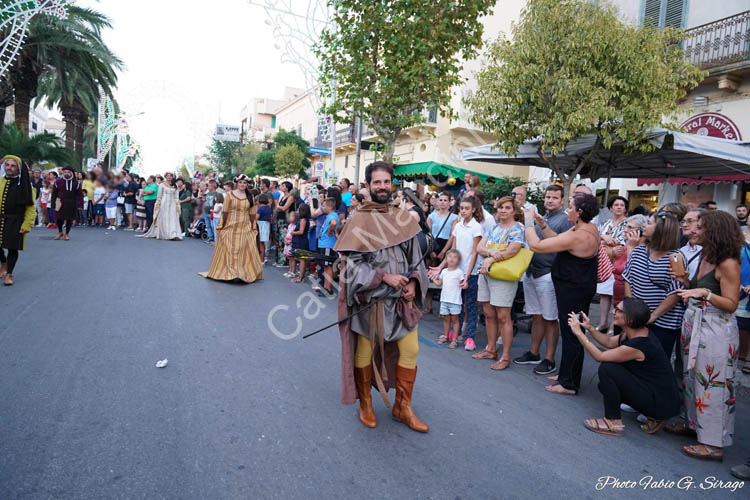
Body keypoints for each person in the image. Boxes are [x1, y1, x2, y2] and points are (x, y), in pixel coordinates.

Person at [335, 161, 429, 432]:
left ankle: (403, 407)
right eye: (377, 182)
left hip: (402, 300)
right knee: (365, 350)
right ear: (368, 186)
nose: (382, 187)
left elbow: (415, 257)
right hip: (372, 301)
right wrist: (383, 277)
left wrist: (413, 281)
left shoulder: (402, 217)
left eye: (386, 182)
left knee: (411, 349)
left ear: (392, 184)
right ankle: (365, 403)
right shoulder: (358, 220)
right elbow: (350, 265)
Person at [670, 210, 742, 462]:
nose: (694, 231)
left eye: (700, 227)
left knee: (713, 384)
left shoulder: (728, 263)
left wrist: (705, 294)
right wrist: (685, 281)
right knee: (692, 378)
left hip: (716, 328)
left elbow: (731, 304)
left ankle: (713, 444)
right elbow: (699, 288)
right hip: (696, 324)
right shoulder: (705, 255)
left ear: (715, 232)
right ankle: (693, 425)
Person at [568, 297, 680, 436]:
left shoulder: (640, 344)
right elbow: (609, 341)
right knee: (605, 384)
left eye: (619, 310)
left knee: (608, 369)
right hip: (658, 397)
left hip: (660, 403)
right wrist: (589, 328)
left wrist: (579, 333)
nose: (613, 311)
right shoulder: (635, 332)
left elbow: (600, 356)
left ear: (631, 319)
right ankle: (652, 415)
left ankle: (613, 422)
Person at [524, 193, 600, 395]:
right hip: (575, 288)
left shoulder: (580, 234)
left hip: (574, 290)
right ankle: (567, 374)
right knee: (572, 333)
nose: (568, 210)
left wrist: (528, 220)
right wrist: (542, 225)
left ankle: (569, 384)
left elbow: (536, 246)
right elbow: (558, 240)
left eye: (571, 207)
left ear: (580, 212)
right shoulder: (585, 228)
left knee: (573, 334)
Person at [513, 184, 572, 375]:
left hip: (549, 273)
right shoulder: (541, 217)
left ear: (562, 200)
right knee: (536, 315)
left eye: (555, 198)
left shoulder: (564, 220)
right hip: (532, 271)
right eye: (548, 197)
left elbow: (561, 246)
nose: (550, 200)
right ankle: (534, 352)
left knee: (550, 318)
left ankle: (549, 359)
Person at [622, 211, 684, 359]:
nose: (644, 225)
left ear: (662, 229)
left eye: (649, 223)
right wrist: (631, 309)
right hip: (637, 318)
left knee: (656, 361)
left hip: (663, 322)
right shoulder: (638, 251)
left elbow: (675, 292)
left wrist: (652, 316)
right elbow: (627, 278)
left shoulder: (675, 257)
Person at [475, 196, 526, 370]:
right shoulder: (494, 228)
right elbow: (479, 248)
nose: (503, 210)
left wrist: (489, 259)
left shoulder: (518, 228)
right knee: (488, 313)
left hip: (503, 276)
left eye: (507, 207)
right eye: (501, 207)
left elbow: (514, 250)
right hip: (487, 274)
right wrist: (492, 253)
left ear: (514, 210)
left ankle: (505, 356)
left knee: (504, 316)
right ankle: (490, 349)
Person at [430, 196, 483, 352]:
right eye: (462, 208)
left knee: (471, 306)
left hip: (470, 273)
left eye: (467, 208)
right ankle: (456, 333)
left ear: (473, 210)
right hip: (455, 271)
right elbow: (452, 252)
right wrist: (440, 267)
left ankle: (470, 337)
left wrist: (467, 275)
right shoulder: (458, 226)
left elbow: (475, 252)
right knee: (457, 304)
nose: (464, 211)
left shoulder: (476, 227)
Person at [199, 174, 263, 283]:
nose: (242, 184)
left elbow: (252, 213)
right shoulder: (229, 195)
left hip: (245, 226)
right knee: (230, 249)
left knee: (243, 250)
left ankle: (241, 273)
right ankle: (231, 273)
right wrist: (220, 226)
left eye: (244, 183)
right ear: (237, 184)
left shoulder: (249, 196)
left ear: (247, 184)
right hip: (231, 225)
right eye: (240, 182)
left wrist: (253, 226)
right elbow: (225, 211)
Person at [0, 155, 36, 286]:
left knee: (12, 248)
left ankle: (9, 274)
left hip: (16, 221)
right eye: (7, 165)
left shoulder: (26, 186)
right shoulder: (0, 181)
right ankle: (3, 262)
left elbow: (31, 208)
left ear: (18, 169)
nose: (9, 168)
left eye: (12, 165)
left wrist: (27, 224)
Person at [597, 196, 629, 333]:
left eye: (622, 205)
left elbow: (621, 243)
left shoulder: (628, 223)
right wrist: (604, 238)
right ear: (611, 208)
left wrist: (606, 241)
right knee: (604, 293)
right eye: (616, 205)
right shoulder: (606, 223)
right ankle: (603, 322)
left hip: (618, 261)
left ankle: (613, 325)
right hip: (604, 261)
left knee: (615, 294)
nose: (619, 207)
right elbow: (596, 237)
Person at [434, 249, 465, 349]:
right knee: (446, 319)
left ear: (458, 261)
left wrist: (465, 285)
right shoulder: (444, 271)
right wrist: (433, 278)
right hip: (444, 299)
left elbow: (463, 284)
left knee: (455, 320)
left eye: (455, 257)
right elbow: (439, 283)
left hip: (455, 301)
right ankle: (446, 336)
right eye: (449, 257)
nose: (452, 259)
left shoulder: (459, 272)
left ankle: (454, 339)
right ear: (446, 259)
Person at [138, 173, 183, 241]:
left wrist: (177, 204)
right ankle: (164, 233)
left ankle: (173, 234)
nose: (169, 177)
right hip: (164, 203)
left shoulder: (175, 185)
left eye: (170, 176)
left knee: (172, 218)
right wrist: (158, 205)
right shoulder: (162, 185)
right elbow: (159, 196)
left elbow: (176, 197)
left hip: (173, 204)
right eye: (167, 176)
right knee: (164, 218)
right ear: (165, 177)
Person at [51, 166, 83, 241]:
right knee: (58, 218)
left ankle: (67, 234)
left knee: (69, 219)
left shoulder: (76, 183)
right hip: (59, 202)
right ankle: (60, 232)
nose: (66, 173)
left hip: (71, 202)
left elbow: (80, 195)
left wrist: (80, 204)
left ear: (71, 173)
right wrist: (53, 203)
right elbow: (54, 194)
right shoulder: (58, 182)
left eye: (68, 172)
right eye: (65, 172)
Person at [317, 198, 339, 295]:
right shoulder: (329, 215)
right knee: (325, 266)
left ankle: (328, 288)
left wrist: (330, 231)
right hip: (324, 243)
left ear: (330, 207)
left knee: (328, 266)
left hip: (328, 244)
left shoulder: (333, 216)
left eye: (324, 206)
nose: (323, 207)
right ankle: (325, 287)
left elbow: (333, 223)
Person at [679, 209, 703, 280]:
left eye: (690, 221)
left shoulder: (709, 250)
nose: (684, 225)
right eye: (683, 221)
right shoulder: (681, 250)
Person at [290, 203, 311, 283]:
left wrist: (293, 233)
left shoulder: (303, 220)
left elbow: (301, 231)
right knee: (303, 259)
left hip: (301, 241)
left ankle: (300, 277)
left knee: (301, 259)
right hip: (302, 240)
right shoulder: (305, 219)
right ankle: (302, 275)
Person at [256, 194, 271, 264]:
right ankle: (264, 257)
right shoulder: (268, 208)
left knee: (260, 243)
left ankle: (261, 259)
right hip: (266, 225)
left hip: (260, 225)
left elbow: (257, 217)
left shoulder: (260, 208)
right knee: (263, 243)